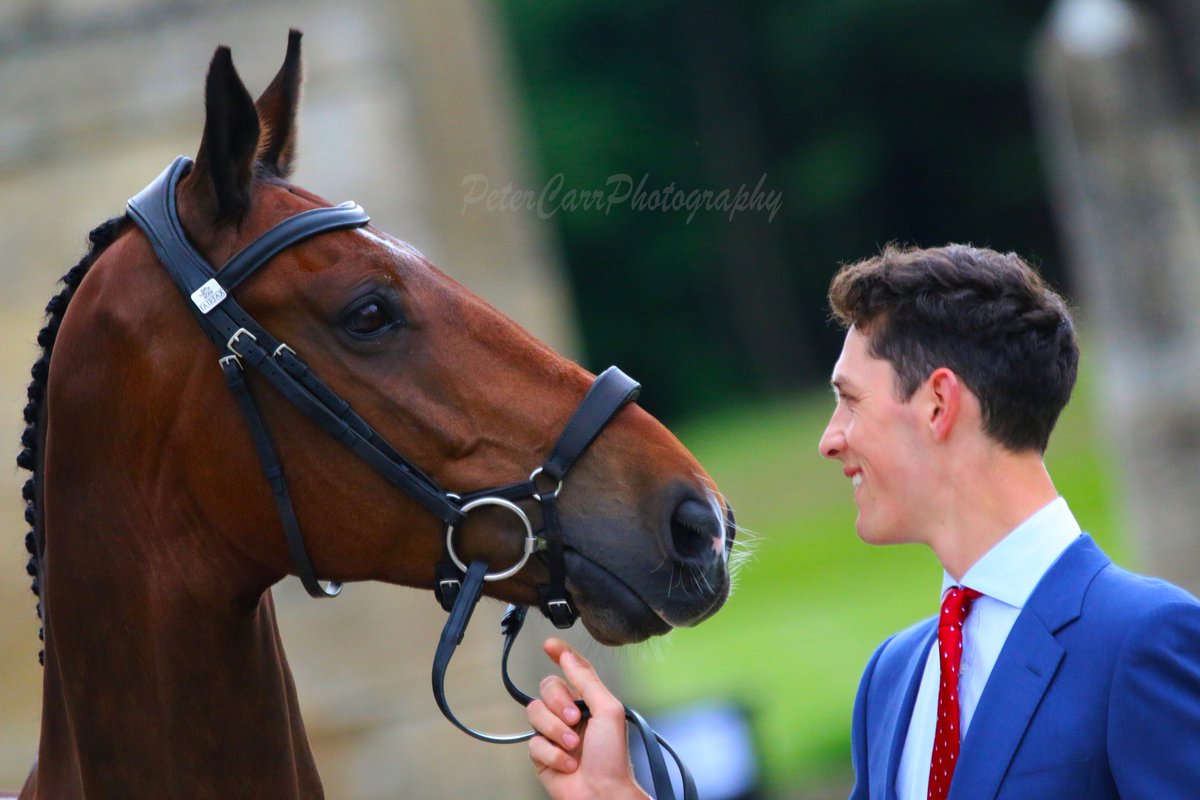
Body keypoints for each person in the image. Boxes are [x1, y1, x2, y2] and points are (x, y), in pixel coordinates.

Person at [525, 244, 1200, 800]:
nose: (829, 438)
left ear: (938, 403)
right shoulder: (894, 676)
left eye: (849, 402)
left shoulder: (1143, 640)